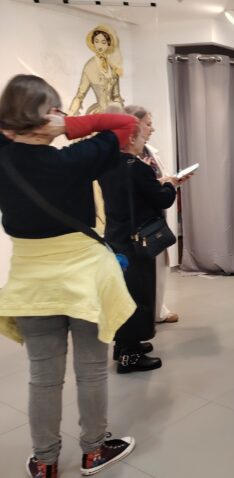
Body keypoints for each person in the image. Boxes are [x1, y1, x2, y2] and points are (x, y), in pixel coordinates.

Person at [0, 74, 136, 477]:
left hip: (32, 285)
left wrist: (19, 123)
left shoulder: (4, 159)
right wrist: (72, 126)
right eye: (55, 109)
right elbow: (126, 123)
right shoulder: (75, 159)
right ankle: (93, 452)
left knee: (43, 377)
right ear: (46, 116)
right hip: (85, 280)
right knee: (91, 370)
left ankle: (45, 463)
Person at [99, 107, 186, 373]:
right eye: (141, 134)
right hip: (137, 243)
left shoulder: (107, 165)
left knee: (124, 295)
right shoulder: (137, 168)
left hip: (116, 238)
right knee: (137, 297)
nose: (144, 139)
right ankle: (130, 357)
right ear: (131, 138)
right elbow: (162, 199)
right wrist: (170, 184)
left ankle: (125, 346)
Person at [125, 105, 181, 323]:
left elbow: (152, 184)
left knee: (159, 267)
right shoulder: (128, 161)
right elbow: (147, 190)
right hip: (139, 224)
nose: (152, 128)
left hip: (153, 219)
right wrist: (168, 185)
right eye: (148, 124)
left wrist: (168, 182)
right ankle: (147, 317)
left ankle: (156, 310)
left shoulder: (148, 152)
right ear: (134, 124)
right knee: (142, 273)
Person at [69, 25, 125, 115]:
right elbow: (80, 95)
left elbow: (116, 96)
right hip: (98, 113)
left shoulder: (113, 66)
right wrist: (70, 115)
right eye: (96, 41)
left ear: (108, 44)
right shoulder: (90, 66)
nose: (99, 45)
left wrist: (121, 113)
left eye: (103, 42)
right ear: (93, 42)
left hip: (113, 113)